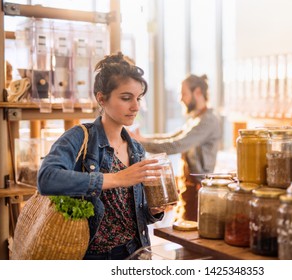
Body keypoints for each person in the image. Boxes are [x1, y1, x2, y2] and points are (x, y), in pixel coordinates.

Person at [37, 52, 164, 260]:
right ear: (101, 98)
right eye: (126, 98)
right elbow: (46, 179)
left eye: (138, 98)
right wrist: (116, 178)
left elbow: (133, 216)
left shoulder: (137, 149)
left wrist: (155, 210)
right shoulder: (79, 137)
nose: (135, 107)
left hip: (137, 251)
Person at [131, 74, 222, 221]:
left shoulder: (208, 121)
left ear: (197, 92)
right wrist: (142, 139)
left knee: (189, 236)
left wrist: (140, 142)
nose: (180, 98)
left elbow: (177, 145)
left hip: (198, 190)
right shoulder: (196, 118)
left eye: (183, 93)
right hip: (189, 187)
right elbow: (171, 137)